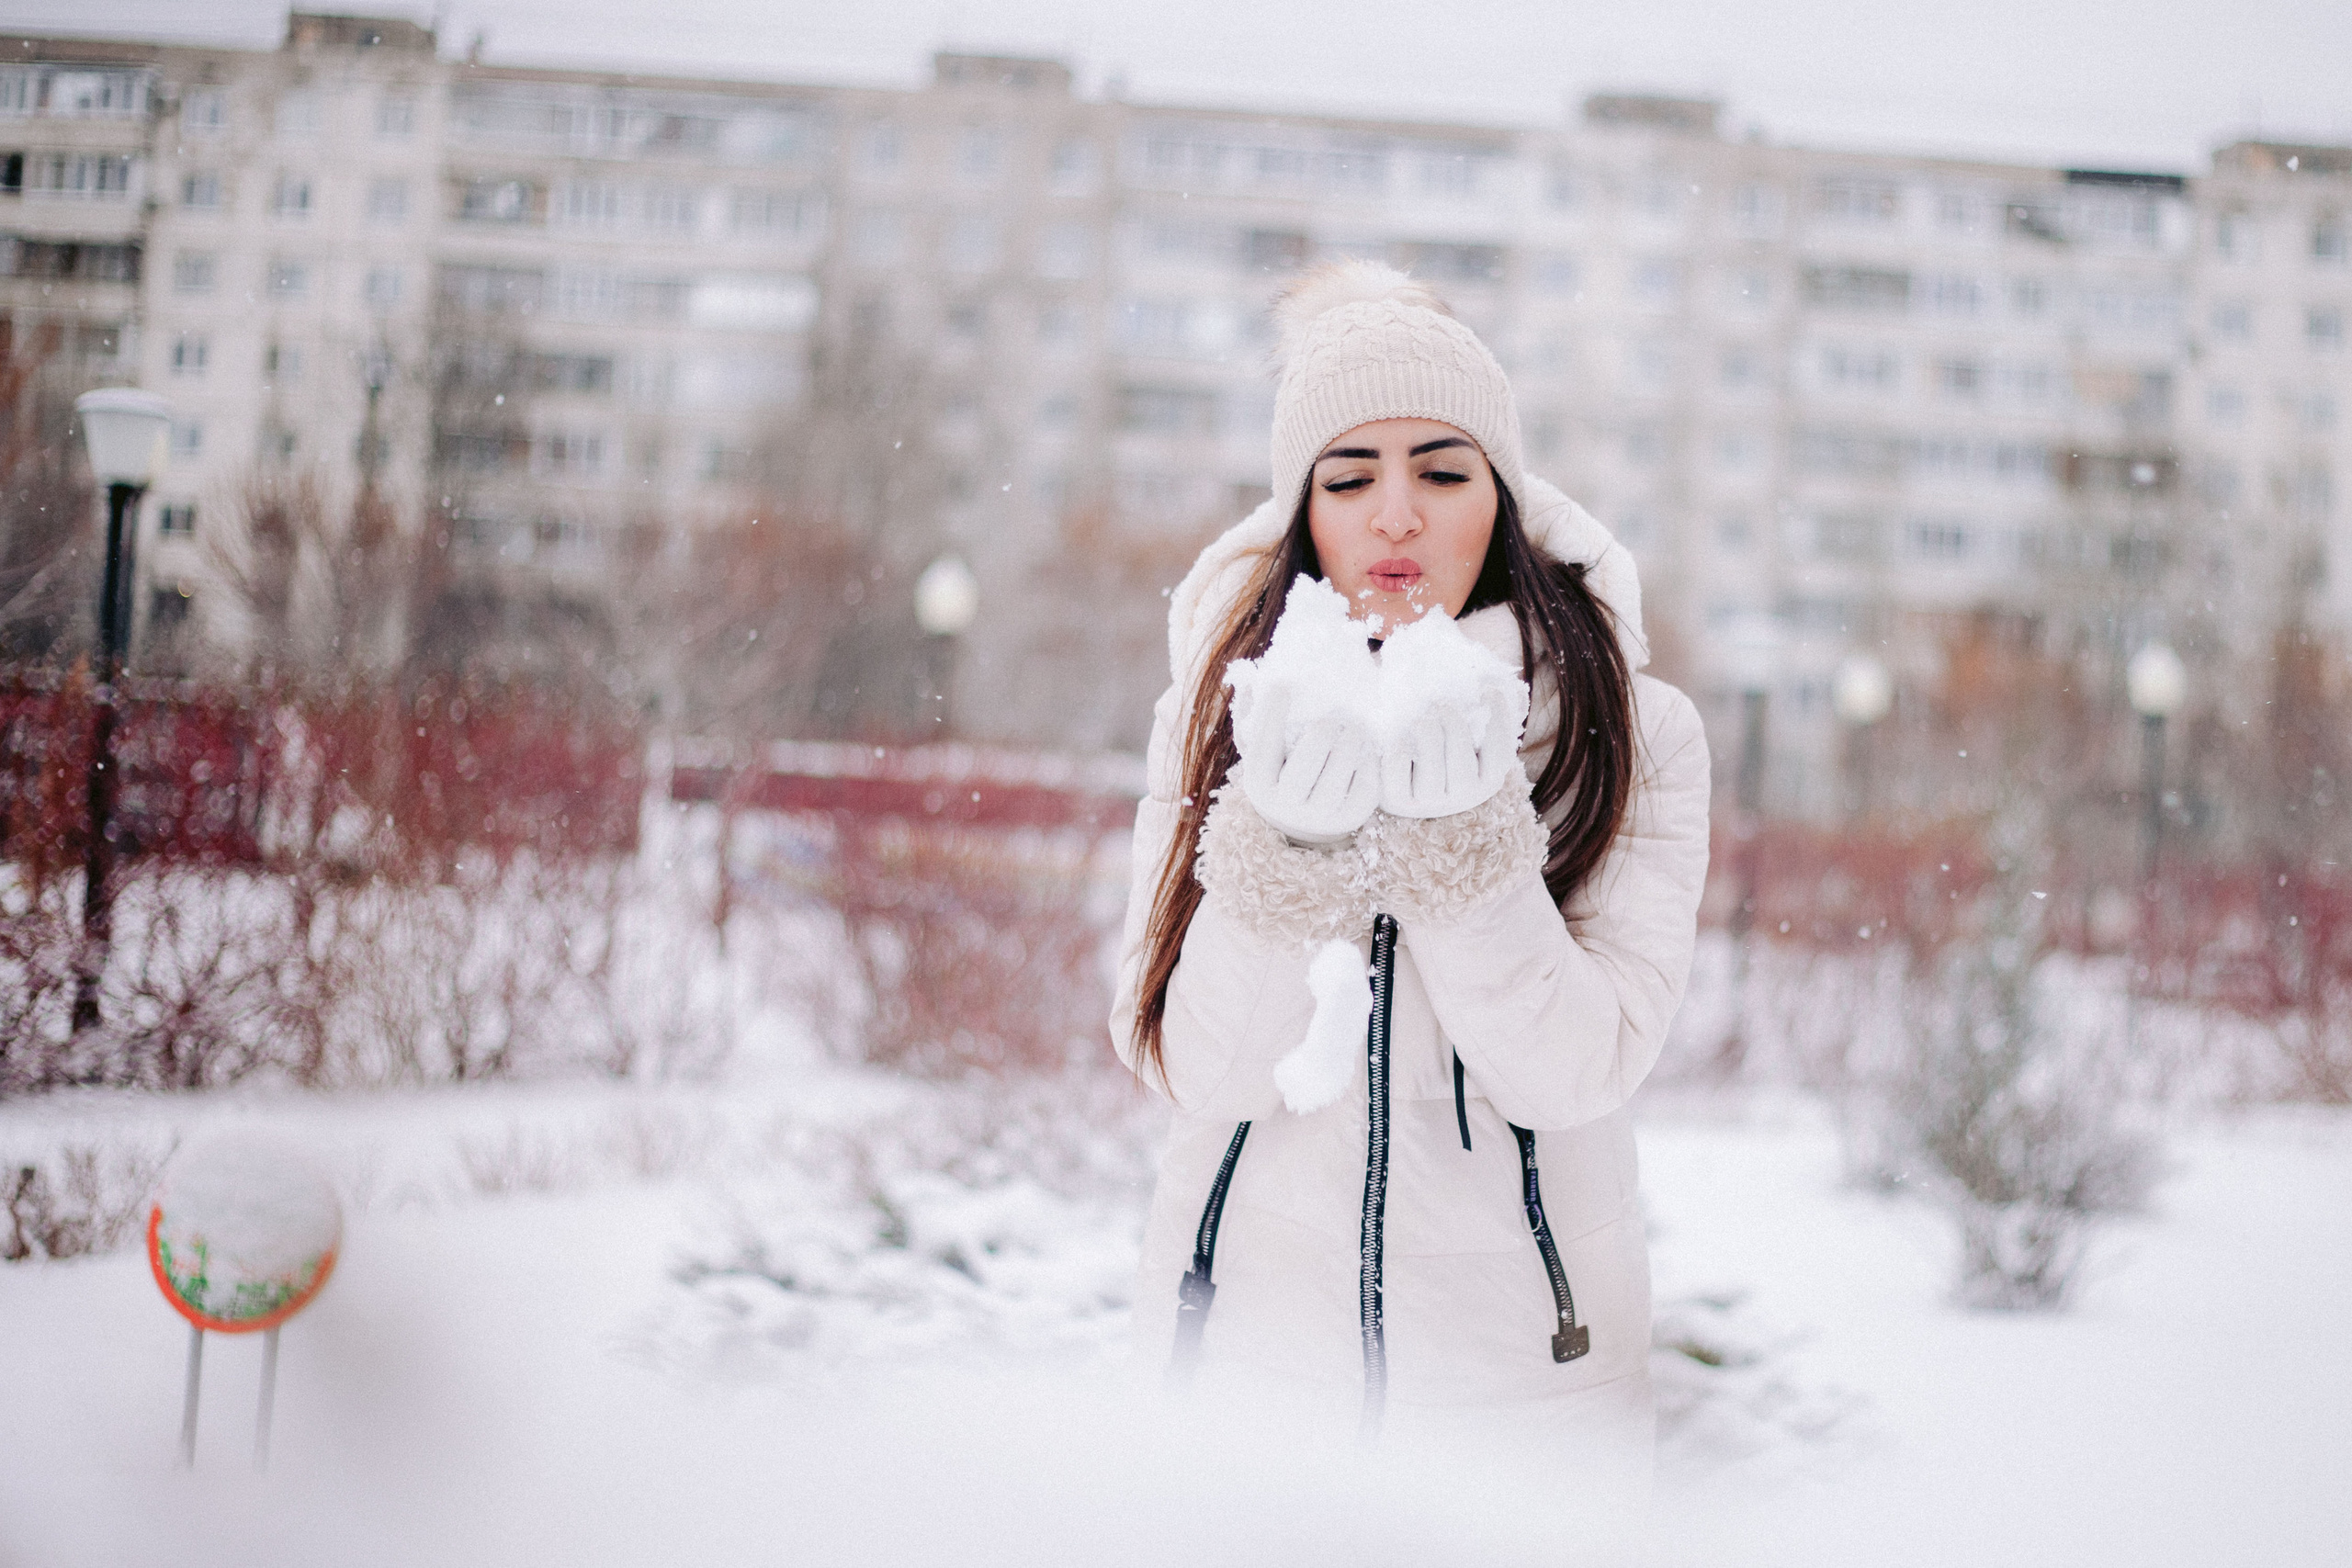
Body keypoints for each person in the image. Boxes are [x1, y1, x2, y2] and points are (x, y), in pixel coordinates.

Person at [1107, 262, 1713, 1483]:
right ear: (1301, 513)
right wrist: (1289, 853)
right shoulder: (1216, 713)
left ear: (1503, 497)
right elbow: (1201, 1070)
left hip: (1528, 1410)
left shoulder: (1633, 732)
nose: (1397, 516)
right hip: (1237, 1380)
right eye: (1350, 478)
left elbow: (1576, 1066)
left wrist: (1467, 851)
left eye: (1443, 472)